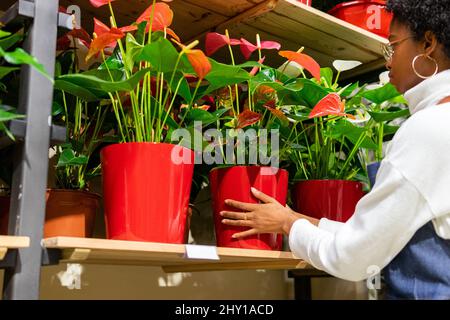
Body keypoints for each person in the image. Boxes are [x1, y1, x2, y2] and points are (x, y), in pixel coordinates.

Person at [220, 0, 450, 300]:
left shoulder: (428, 130)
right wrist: (297, 218)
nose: (388, 62)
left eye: (393, 46)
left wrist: (288, 224)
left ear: (428, 43)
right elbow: (371, 234)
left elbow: (353, 258)